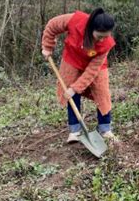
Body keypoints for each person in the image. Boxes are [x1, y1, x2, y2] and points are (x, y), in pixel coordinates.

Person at [41, 8, 117, 142]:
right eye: (100, 36)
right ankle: (75, 131)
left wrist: (76, 87)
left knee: (102, 93)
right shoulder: (75, 20)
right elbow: (52, 25)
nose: (102, 40)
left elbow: (92, 71)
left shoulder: (106, 43)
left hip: (95, 66)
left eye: (106, 36)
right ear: (90, 28)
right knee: (70, 92)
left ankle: (105, 129)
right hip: (72, 59)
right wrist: (47, 46)